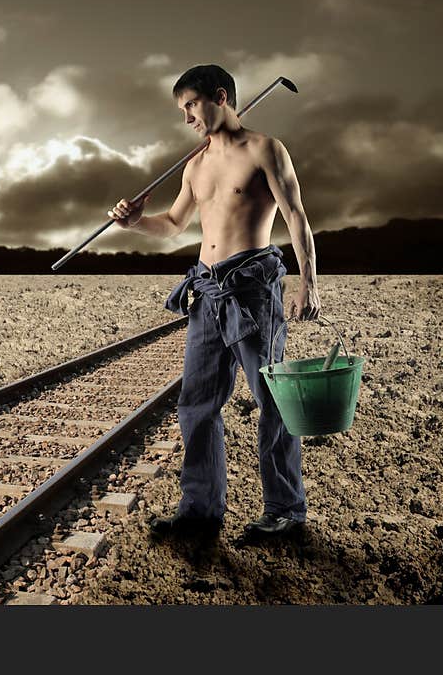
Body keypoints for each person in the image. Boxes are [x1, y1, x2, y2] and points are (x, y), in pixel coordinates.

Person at [108, 64, 320, 540]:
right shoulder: (196, 165)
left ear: (219, 97)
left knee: (272, 401)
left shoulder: (265, 148)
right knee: (197, 402)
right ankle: (201, 512)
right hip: (206, 291)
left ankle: (286, 511)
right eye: (182, 109)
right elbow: (174, 225)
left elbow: (297, 217)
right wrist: (135, 222)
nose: (187, 118)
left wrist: (309, 283)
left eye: (191, 105)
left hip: (252, 290)